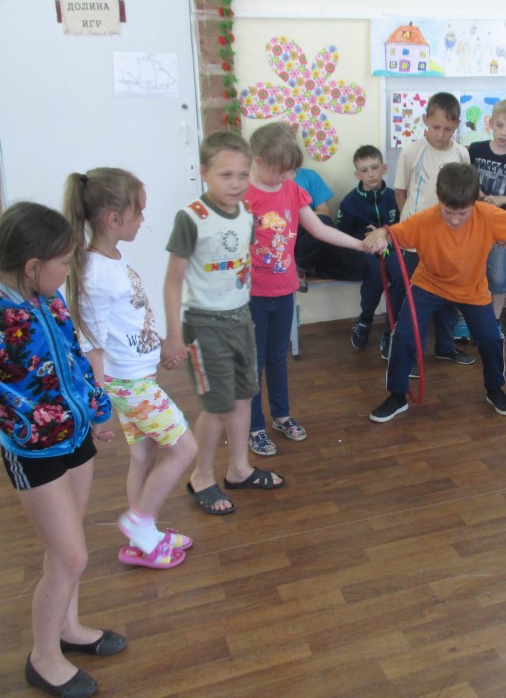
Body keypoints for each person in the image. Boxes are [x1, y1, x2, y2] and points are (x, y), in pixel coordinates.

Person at [0, 202, 121, 698]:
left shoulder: (47, 297)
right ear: (32, 266)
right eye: (63, 262)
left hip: (74, 438)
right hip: (33, 453)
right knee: (70, 555)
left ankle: (69, 628)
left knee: (67, 550)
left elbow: (74, 359)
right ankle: (43, 658)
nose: (68, 271)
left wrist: (98, 410)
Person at [364, 163, 506, 422]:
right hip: (429, 285)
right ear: (439, 197)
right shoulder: (424, 220)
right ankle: (397, 396)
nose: (455, 219)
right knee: (404, 335)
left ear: (474, 200)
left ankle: (494, 389)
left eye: (462, 213)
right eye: (448, 212)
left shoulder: (488, 215)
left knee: (491, 339)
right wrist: (379, 234)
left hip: (471, 289)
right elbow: (392, 233)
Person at [64, 168, 197, 570]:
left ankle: (145, 534)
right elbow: (90, 343)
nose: (142, 220)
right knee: (185, 448)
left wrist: (160, 346)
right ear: (114, 218)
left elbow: (128, 324)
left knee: (143, 453)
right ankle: (139, 522)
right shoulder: (95, 273)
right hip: (129, 386)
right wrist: (98, 407)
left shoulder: (113, 260)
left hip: (136, 378)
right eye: (138, 213)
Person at [161, 131, 280, 516]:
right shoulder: (191, 218)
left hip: (241, 318)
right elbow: (173, 280)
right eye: (226, 175)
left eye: (243, 174)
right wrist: (174, 335)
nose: (236, 183)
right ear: (205, 173)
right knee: (217, 405)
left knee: (244, 396)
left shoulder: (245, 212)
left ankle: (239, 469)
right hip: (204, 325)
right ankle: (201, 476)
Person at [244, 122, 367, 455]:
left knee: (277, 357)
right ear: (258, 160)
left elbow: (320, 230)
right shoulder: (243, 195)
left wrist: (360, 245)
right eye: (279, 170)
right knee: (254, 363)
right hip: (251, 296)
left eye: (290, 171)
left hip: (284, 290)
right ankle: (253, 426)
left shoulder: (291, 189)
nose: (286, 177)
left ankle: (281, 415)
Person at [394, 91, 474, 367]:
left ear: (457, 125)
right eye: (436, 126)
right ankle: (413, 355)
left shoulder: (461, 153)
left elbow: (465, 195)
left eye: (448, 128)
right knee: (417, 301)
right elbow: (401, 191)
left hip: (450, 240)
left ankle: (445, 346)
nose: (441, 134)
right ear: (425, 120)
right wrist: (410, 226)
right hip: (416, 241)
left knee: (448, 297)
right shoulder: (411, 151)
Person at [337, 145, 404, 357]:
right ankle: (365, 319)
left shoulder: (395, 197)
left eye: (375, 168)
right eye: (364, 170)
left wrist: (384, 236)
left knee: (402, 274)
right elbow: (341, 235)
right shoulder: (349, 202)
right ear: (357, 174)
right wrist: (365, 241)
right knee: (376, 273)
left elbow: (405, 226)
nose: (371, 174)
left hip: (391, 248)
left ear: (384, 168)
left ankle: (390, 329)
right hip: (363, 251)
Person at [468, 98, 506, 323]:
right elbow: (463, 179)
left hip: (499, 225)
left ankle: (493, 322)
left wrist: (501, 199)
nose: (504, 132)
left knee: (499, 275)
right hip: (471, 221)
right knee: (468, 271)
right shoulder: (476, 149)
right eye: (499, 125)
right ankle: (465, 320)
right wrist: (476, 192)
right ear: (490, 124)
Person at [293, 167, 363, 280]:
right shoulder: (271, 183)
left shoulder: (308, 176)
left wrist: (361, 245)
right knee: (322, 222)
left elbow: (324, 213)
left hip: (312, 234)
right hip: (286, 238)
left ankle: (312, 269)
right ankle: (298, 267)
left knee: (359, 266)